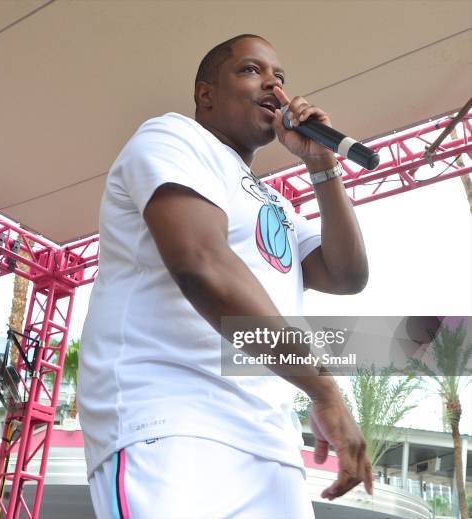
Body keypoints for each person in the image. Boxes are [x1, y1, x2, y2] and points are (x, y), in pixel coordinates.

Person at [78, 34, 372, 518]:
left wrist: (322, 167)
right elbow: (202, 265)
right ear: (206, 93)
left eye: (280, 77)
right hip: (172, 420)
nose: (274, 87)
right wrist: (323, 389)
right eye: (251, 70)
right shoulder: (173, 137)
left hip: (270, 442)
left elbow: (347, 274)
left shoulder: (272, 201)